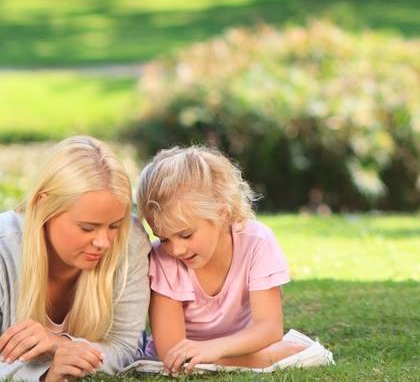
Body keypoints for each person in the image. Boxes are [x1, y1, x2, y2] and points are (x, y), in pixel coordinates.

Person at [0, 135, 149, 381]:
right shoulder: (1, 241)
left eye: (114, 225)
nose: (104, 242)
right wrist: (42, 375)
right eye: (87, 228)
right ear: (44, 206)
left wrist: (60, 345)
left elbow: (128, 350)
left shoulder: (130, 241)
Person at [137, 145, 330, 372]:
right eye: (164, 238)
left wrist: (215, 350)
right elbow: (172, 354)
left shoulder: (257, 243)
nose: (176, 249)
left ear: (222, 212)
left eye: (185, 234)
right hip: (196, 356)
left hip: (241, 347)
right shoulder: (163, 260)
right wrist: (265, 359)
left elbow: (268, 328)